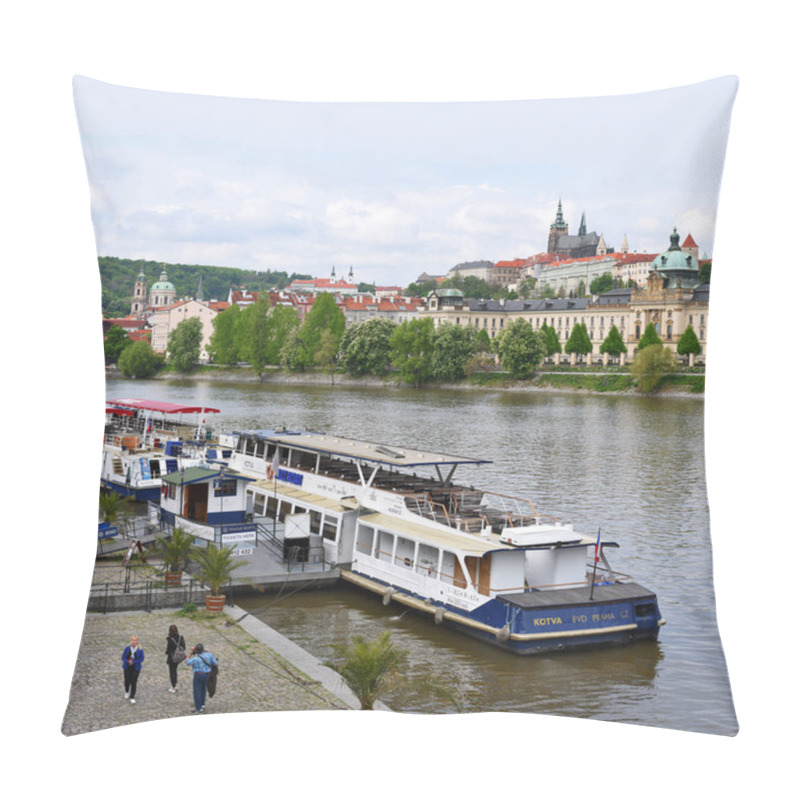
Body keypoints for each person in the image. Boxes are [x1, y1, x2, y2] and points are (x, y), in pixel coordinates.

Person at [185, 643, 218, 714]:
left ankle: (198, 707)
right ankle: (202, 704)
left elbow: (187, 662)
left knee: (197, 691)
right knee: (203, 689)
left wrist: (190, 653)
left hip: (198, 675)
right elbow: (215, 663)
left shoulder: (196, 659)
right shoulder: (209, 655)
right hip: (207, 675)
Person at [121, 635, 144, 704]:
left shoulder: (140, 649)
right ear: (130, 641)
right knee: (127, 680)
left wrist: (133, 662)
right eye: (133, 640)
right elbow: (123, 657)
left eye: (135, 640)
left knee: (134, 681)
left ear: (137, 641)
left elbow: (142, 658)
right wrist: (128, 662)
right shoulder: (127, 648)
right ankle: (127, 691)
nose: (134, 642)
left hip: (136, 668)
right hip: (127, 667)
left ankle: (132, 696)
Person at [165, 624, 185, 693]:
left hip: (172, 658)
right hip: (178, 658)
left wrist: (167, 652)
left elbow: (168, 650)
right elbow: (184, 647)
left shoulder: (170, 640)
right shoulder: (180, 638)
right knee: (175, 671)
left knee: (172, 672)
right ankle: (175, 685)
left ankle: (173, 686)